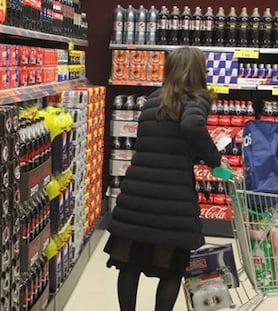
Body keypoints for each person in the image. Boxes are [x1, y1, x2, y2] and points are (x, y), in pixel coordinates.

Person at [104, 47, 224, 311]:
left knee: (129, 265)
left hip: (136, 194)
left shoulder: (152, 99)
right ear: (198, 71)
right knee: (171, 269)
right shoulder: (196, 98)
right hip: (172, 199)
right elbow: (191, 126)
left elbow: (162, 142)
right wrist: (214, 161)